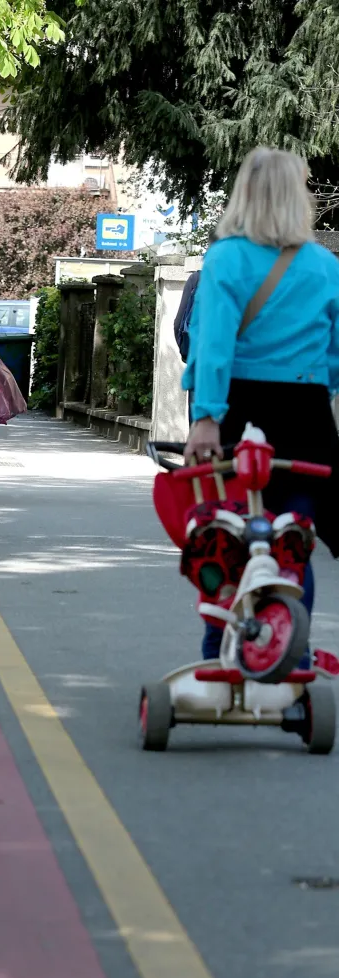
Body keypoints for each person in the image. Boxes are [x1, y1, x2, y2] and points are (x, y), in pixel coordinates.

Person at [182, 146, 339, 661]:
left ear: (244, 193)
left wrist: (206, 418)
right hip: (307, 415)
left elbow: (212, 344)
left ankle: (216, 656)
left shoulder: (225, 257)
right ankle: (287, 658)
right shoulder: (324, 266)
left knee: (230, 541)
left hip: (239, 411)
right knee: (294, 545)